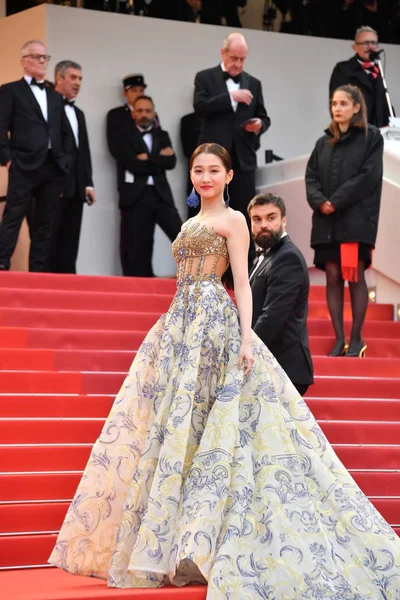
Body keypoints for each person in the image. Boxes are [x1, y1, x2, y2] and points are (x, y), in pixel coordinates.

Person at [49, 142, 400, 597]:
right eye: (198, 170)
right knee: (176, 429)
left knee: (216, 428)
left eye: (214, 170)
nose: (205, 177)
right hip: (179, 323)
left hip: (214, 323)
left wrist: (247, 336)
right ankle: (175, 544)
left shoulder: (235, 221)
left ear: (230, 176)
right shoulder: (190, 221)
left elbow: (241, 282)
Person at [305, 84, 383, 358]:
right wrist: (320, 202)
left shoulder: (370, 137)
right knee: (333, 276)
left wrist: (334, 201)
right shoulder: (322, 142)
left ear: (356, 107)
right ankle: (340, 340)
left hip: (355, 219)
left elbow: (368, 177)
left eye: (342, 103)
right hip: (327, 221)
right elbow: (311, 178)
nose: (336, 108)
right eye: (334, 103)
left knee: (354, 275)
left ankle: (357, 337)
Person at [193, 33, 270, 259]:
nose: (238, 64)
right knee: (210, 211)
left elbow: (264, 117)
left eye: (242, 59)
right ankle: (206, 264)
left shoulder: (254, 83)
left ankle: (243, 268)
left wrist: (259, 124)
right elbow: (199, 107)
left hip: (243, 159)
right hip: (213, 160)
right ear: (223, 53)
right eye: (234, 58)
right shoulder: (205, 77)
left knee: (243, 213)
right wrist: (230, 96)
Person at [0, 39, 73, 272]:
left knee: (45, 223)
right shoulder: (10, 90)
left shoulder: (54, 96)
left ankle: (38, 271)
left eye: (45, 57)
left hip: (52, 166)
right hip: (23, 163)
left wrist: (65, 161)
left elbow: (64, 132)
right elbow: (0, 127)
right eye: (37, 56)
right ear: (24, 61)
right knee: (13, 216)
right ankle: (2, 263)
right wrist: (8, 159)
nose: (42, 61)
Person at [249, 192, 313, 396]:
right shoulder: (268, 255)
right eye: (256, 219)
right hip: (273, 366)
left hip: (284, 369)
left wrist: (244, 351)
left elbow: (272, 317)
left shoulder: (287, 258)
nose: (263, 225)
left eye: (271, 217)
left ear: (283, 220)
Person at [114, 94, 182, 276]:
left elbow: (172, 162)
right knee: (138, 248)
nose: (144, 114)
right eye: (140, 110)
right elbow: (133, 164)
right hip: (136, 197)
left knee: (183, 237)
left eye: (148, 111)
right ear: (133, 114)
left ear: (154, 114)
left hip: (161, 195)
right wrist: (159, 159)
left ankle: (195, 278)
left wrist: (148, 158)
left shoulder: (162, 135)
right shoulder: (123, 137)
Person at [51, 60, 95, 274]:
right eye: (73, 78)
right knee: (50, 240)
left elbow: (83, 152)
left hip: (77, 187)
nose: (77, 83)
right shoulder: (48, 107)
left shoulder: (78, 113)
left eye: (80, 79)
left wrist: (88, 183)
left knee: (70, 241)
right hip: (54, 185)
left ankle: (68, 286)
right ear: (59, 78)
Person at [329, 26, 391, 128]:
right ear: (355, 47)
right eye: (366, 43)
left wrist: (392, 124)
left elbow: (385, 103)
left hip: (378, 133)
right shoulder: (343, 70)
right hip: (355, 131)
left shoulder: (377, 69)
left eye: (373, 43)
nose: (370, 47)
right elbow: (336, 104)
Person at [107, 74, 148, 163]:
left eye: (141, 90)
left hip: (153, 170)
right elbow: (115, 147)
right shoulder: (116, 115)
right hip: (129, 169)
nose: (139, 94)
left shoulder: (151, 114)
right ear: (125, 93)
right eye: (134, 90)